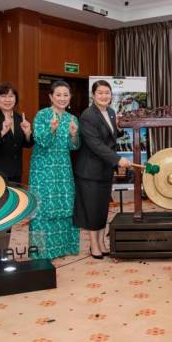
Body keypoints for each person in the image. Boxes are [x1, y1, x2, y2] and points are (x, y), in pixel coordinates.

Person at [73, 80, 131, 259]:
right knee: (91, 208)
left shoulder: (111, 112)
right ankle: (93, 245)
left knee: (102, 208)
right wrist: (117, 159)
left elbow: (111, 135)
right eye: (100, 93)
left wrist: (120, 128)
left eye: (107, 92)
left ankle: (102, 242)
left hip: (104, 169)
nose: (104, 96)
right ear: (93, 95)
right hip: (89, 170)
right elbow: (95, 144)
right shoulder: (88, 115)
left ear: (111, 95)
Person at [0, 83, 34, 261]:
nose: (7, 99)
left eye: (11, 96)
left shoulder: (20, 118)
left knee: (10, 214)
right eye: (3, 96)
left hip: (14, 173)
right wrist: (2, 132)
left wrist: (27, 133)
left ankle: (4, 253)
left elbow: (27, 144)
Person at [29, 80, 80, 259]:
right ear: (50, 96)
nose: (62, 98)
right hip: (43, 169)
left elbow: (74, 147)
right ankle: (40, 251)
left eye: (66, 95)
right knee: (41, 209)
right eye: (58, 95)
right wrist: (51, 129)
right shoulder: (42, 115)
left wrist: (74, 135)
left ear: (70, 97)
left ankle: (63, 248)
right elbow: (41, 141)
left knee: (65, 205)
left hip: (63, 168)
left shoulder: (72, 118)